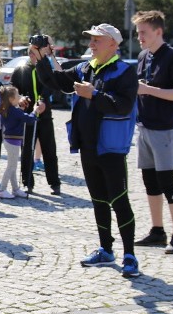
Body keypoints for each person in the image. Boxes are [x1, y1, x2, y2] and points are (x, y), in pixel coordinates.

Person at [35, 23, 141, 277]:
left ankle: (130, 255)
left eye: (97, 40)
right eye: (91, 40)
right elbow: (57, 81)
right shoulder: (85, 68)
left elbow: (123, 107)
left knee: (119, 199)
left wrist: (94, 95)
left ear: (113, 44)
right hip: (87, 146)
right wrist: (41, 58)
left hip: (111, 148)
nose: (91, 45)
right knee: (98, 200)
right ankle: (106, 248)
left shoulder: (125, 72)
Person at [131, 11, 173, 255]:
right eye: (137, 33)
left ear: (158, 31)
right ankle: (157, 230)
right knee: (150, 182)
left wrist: (148, 90)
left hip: (164, 128)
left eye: (143, 32)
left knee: (167, 182)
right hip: (144, 126)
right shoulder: (144, 56)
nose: (139, 37)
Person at [10, 40, 62, 195]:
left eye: (35, 52)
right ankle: (27, 183)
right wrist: (19, 99)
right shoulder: (20, 69)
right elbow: (13, 88)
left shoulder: (44, 68)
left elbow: (51, 86)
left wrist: (44, 101)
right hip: (27, 116)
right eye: (31, 52)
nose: (33, 55)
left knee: (49, 150)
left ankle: (55, 183)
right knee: (26, 150)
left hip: (44, 116)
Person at [0, 85, 40, 199]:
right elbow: (29, 119)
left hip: (9, 140)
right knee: (11, 167)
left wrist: (21, 108)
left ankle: (15, 189)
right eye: (17, 96)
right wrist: (35, 111)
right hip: (13, 142)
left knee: (13, 166)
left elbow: (18, 116)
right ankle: (2, 189)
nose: (19, 97)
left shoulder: (7, 109)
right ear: (11, 99)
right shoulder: (14, 111)